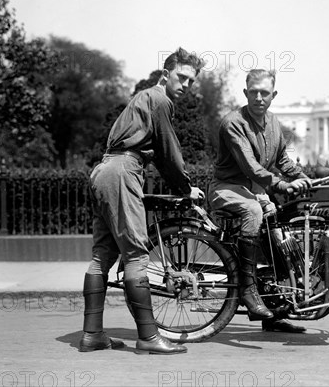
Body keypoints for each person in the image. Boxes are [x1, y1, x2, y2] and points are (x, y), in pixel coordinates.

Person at [80, 48, 205, 354]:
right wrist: (185, 188)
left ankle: (92, 335)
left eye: (191, 81)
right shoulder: (160, 99)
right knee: (137, 256)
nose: (186, 85)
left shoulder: (143, 98)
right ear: (166, 75)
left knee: (102, 256)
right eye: (182, 77)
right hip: (123, 171)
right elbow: (168, 151)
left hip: (104, 171)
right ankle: (149, 336)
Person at [208, 69, 311, 333]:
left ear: (273, 94)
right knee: (254, 210)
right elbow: (251, 166)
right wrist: (282, 185)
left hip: (253, 189)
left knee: (276, 228)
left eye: (264, 92)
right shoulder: (233, 122)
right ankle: (247, 288)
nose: (258, 97)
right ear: (245, 93)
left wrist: (302, 177)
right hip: (227, 189)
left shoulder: (274, 123)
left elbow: (282, 160)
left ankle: (274, 312)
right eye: (253, 92)